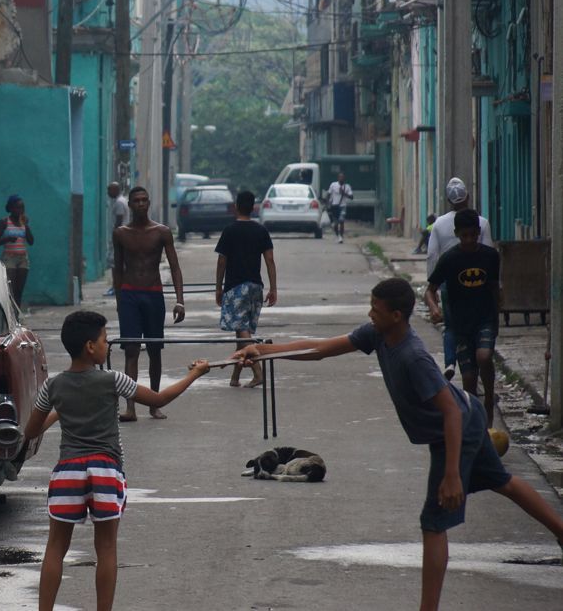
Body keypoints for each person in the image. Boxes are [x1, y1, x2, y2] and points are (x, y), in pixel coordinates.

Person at [233, 278, 563, 611]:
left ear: (397, 315)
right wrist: (264, 350)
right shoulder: (378, 332)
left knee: (434, 523)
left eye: (376, 309)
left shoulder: (413, 356)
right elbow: (320, 349)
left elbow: (449, 413)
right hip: (468, 415)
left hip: (456, 429)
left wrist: (452, 475)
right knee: (501, 481)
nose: (370, 313)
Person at [23, 310, 210, 611]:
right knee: (106, 548)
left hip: (68, 473)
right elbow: (158, 400)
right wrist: (194, 374)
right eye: (105, 340)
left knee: (56, 548)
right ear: (89, 346)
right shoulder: (113, 380)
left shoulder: (54, 387)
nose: (108, 345)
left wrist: (60, 411)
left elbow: (31, 431)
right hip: (106, 471)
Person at [112, 186, 186, 420]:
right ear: (131, 205)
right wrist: (119, 298)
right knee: (131, 350)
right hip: (130, 294)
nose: (141, 204)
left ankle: (154, 403)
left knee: (155, 349)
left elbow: (174, 266)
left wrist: (180, 301)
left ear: (149, 203)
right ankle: (130, 407)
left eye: (145, 200)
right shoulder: (121, 233)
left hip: (153, 294)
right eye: (137, 201)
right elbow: (118, 267)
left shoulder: (161, 232)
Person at [426, 209, 501, 425]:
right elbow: (430, 290)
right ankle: (476, 425)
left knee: (484, 356)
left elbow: (495, 287)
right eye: (464, 235)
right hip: (460, 325)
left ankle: (488, 398)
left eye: (472, 235)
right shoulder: (450, 259)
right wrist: (434, 308)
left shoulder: (490, 256)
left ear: (478, 232)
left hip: (485, 319)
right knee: (468, 379)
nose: (468, 240)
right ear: (457, 233)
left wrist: (497, 315)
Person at [426, 178, 494, 377]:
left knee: (452, 325)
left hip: (449, 281)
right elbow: (490, 254)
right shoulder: (481, 222)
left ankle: (450, 362)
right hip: (479, 282)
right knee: (479, 323)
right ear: (468, 196)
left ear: (448, 200)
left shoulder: (439, 224)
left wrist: (433, 285)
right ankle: (474, 362)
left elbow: (432, 255)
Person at [214, 191, 277, 388]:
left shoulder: (230, 230)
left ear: (236, 206)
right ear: (253, 208)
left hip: (236, 287)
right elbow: (269, 260)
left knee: (242, 330)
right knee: (243, 331)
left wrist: (218, 288)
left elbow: (222, 261)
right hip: (256, 287)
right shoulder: (261, 231)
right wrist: (273, 288)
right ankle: (235, 376)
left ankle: (257, 371)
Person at [0, 195, 34, 307]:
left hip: (23, 258)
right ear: (10, 208)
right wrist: (8, 239)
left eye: (22, 208)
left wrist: (26, 226)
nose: (20, 211)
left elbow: (31, 241)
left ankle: (17, 316)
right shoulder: (4, 222)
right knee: (10, 289)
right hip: (9, 257)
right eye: (17, 208)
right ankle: (10, 314)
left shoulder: (23, 223)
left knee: (19, 291)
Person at [105, 182, 130, 296]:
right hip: (123, 236)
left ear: (116, 190)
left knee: (115, 263)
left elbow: (119, 221)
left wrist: (115, 236)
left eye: (109, 190)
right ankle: (119, 286)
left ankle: (116, 287)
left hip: (119, 237)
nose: (108, 193)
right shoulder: (122, 201)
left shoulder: (119, 203)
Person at [325, 172, 353, 243]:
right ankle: (338, 235)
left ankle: (341, 236)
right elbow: (328, 194)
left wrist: (344, 193)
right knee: (336, 223)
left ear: (344, 178)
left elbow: (351, 197)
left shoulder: (347, 187)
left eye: (343, 177)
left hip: (343, 206)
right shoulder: (333, 185)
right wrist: (327, 204)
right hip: (334, 206)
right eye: (340, 177)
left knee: (341, 221)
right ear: (338, 178)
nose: (341, 178)